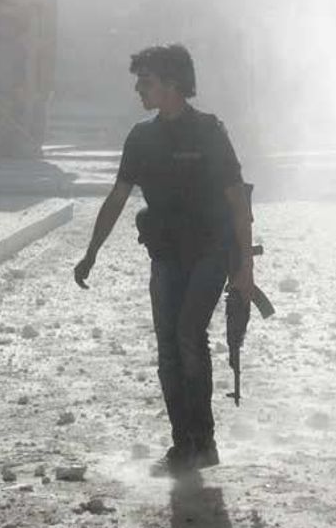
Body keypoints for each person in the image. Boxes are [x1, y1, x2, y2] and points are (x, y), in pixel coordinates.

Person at [73, 44, 256, 476]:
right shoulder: (141, 138)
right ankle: (183, 444)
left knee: (189, 334)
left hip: (211, 254)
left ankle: (204, 441)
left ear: (173, 84)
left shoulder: (210, 132)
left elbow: (237, 203)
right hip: (167, 258)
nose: (139, 89)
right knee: (169, 351)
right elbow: (117, 198)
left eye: (147, 81)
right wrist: (91, 252)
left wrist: (245, 267)